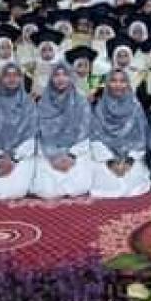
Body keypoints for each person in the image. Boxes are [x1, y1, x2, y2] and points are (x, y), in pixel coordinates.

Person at [31, 62, 94, 199]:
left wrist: (72, 155)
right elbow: (39, 134)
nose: (61, 79)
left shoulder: (81, 102)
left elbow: (85, 131)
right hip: (49, 153)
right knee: (45, 190)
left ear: (71, 78)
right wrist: (53, 156)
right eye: (56, 75)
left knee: (79, 188)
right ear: (51, 79)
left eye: (65, 75)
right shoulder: (43, 103)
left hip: (76, 152)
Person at [88, 69, 151, 198]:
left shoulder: (135, 107)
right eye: (113, 81)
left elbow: (141, 138)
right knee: (106, 179)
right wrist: (110, 161)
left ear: (128, 84)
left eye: (122, 81)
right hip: (105, 158)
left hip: (131, 157)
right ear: (107, 84)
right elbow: (95, 137)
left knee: (133, 178)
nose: (118, 85)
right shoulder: (100, 108)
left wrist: (129, 161)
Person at [0, 62, 38, 200]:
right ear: (1, 78)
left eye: (16, 75)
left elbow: (31, 135)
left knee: (17, 191)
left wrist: (14, 158)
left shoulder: (28, 104)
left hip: (21, 156)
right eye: (7, 75)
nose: (12, 79)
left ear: (21, 79)